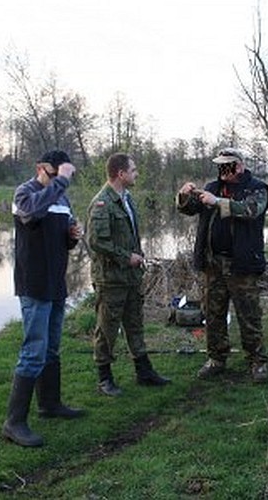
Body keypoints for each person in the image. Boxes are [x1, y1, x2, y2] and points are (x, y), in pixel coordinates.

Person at [3, 149, 85, 448]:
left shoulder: (62, 199)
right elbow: (32, 214)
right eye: (57, 171)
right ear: (42, 168)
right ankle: (14, 423)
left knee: (51, 348)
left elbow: (64, 239)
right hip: (34, 284)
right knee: (33, 351)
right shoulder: (25, 192)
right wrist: (60, 182)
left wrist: (73, 236)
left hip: (57, 283)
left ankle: (50, 405)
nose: (62, 177)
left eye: (65, 172)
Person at [176, 147, 268, 382]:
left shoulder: (257, 188)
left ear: (239, 166)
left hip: (242, 265)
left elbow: (251, 210)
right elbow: (189, 209)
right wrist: (184, 195)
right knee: (213, 314)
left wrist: (218, 202)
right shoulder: (211, 187)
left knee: (249, 314)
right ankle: (216, 358)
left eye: (227, 166)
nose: (222, 171)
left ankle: (257, 361)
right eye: (219, 166)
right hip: (213, 264)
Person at [86, 153, 170, 397]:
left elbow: (131, 235)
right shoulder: (102, 203)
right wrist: (126, 257)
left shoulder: (127, 199)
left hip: (131, 277)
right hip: (111, 279)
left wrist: (138, 256)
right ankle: (104, 378)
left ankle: (144, 371)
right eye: (133, 170)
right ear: (120, 174)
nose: (137, 174)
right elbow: (96, 242)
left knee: (135, 323)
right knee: (107, 328)